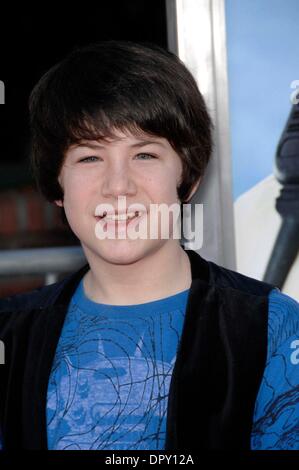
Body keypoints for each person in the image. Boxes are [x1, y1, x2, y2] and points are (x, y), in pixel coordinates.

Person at [0, 40, 298, 451]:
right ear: (57, 187)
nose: (118, 186)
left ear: (188, 178)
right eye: (90, 158)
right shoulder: (10, 336)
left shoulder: (272, 327)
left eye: (144, 155)